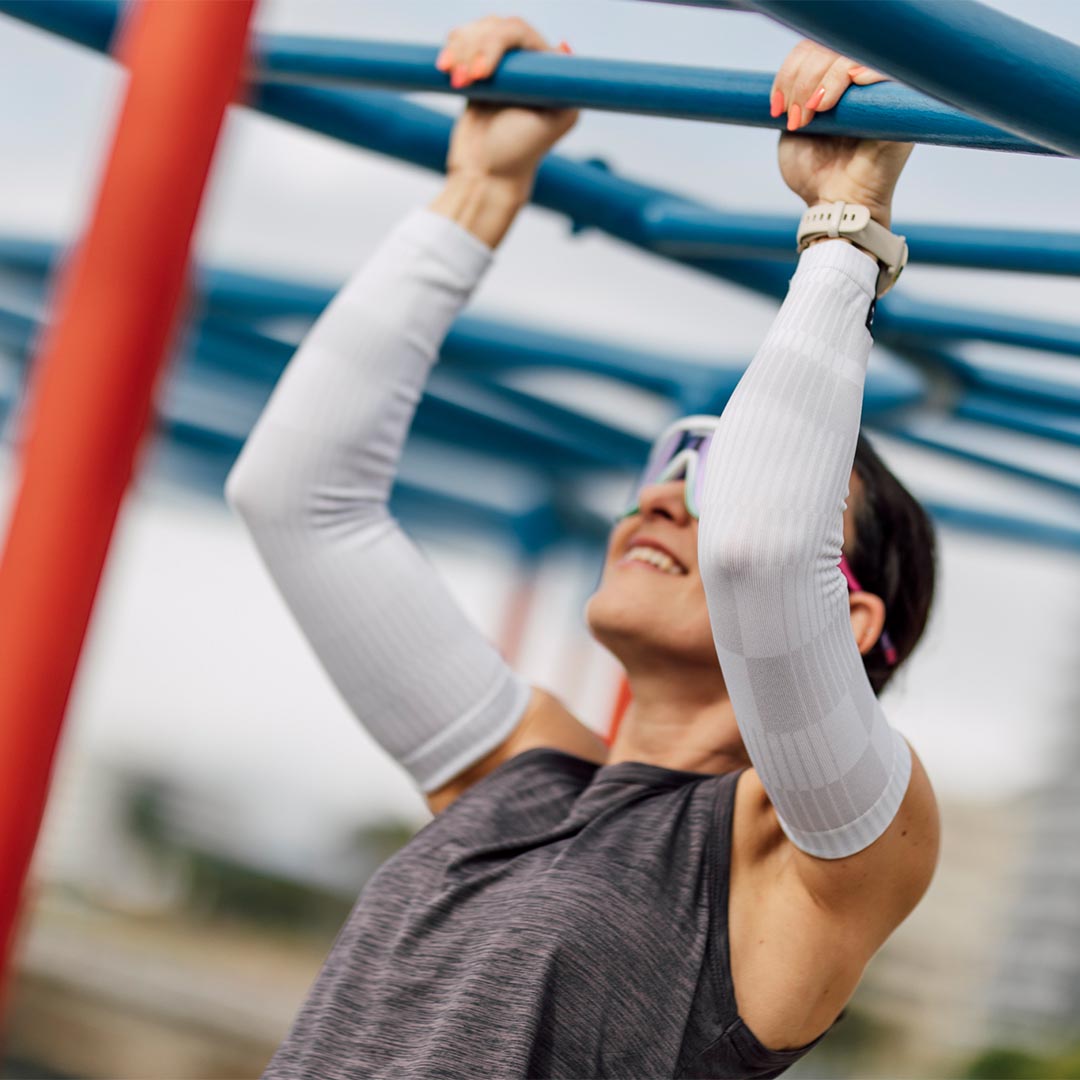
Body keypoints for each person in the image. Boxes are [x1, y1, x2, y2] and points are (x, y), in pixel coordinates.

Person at [226, 16, 940, 1079]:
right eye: (670, 464)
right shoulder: (524, 783)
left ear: (850, 613)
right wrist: (479, 189)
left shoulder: (811, 864)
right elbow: (297, 497)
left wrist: (845, 226)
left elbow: (757, 553)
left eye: (721, 475)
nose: (664, 495)